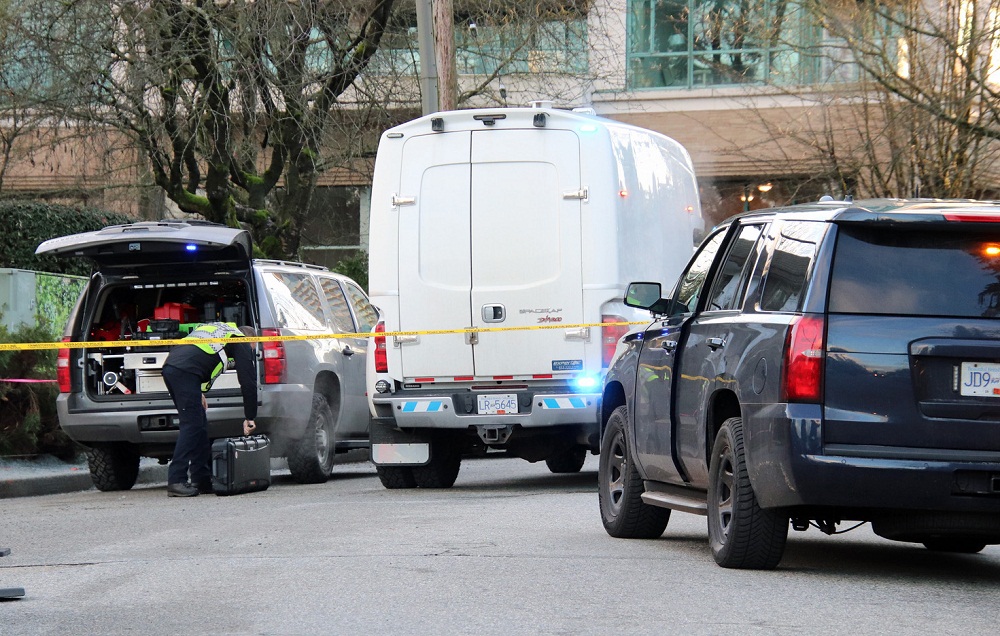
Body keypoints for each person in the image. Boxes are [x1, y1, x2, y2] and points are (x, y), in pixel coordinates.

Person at [161, 322, 258, 497]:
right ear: (251, 339)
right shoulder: (239, 340)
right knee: (191, 425)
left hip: (173, 367)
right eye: (253, 347)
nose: (251, 351)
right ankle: (176, 480)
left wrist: (198, 391)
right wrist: (250, 416)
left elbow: (197, 354)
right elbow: (248, 382)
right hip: (185, 372)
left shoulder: (220, 329)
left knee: (199, 424)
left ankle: (201, 479)